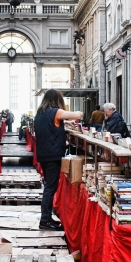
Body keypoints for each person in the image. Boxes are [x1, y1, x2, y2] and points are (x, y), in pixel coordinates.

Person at [33, 89, 83, 231]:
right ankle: (45, 220)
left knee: (49, 186)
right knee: (50, 188)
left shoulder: (39, 114)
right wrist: (79, 114)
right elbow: (76, 114)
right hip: (53, 155)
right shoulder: (56, 112)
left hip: (43, 154)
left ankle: (47, 218)